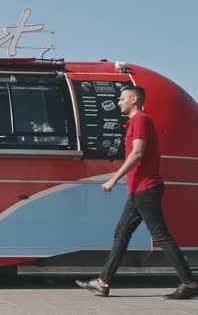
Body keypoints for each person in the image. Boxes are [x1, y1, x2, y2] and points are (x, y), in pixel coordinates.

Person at [76, 85, 198, 300]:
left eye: (122, 99)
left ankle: (189, 282)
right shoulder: (136, 121)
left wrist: (113, 179)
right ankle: (103, 282)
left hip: (146, 189)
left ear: (133, 99)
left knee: (161, 235)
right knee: (121, 234)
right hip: (139, 190)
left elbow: (137, 153)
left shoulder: (140, 120)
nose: (118, 102)